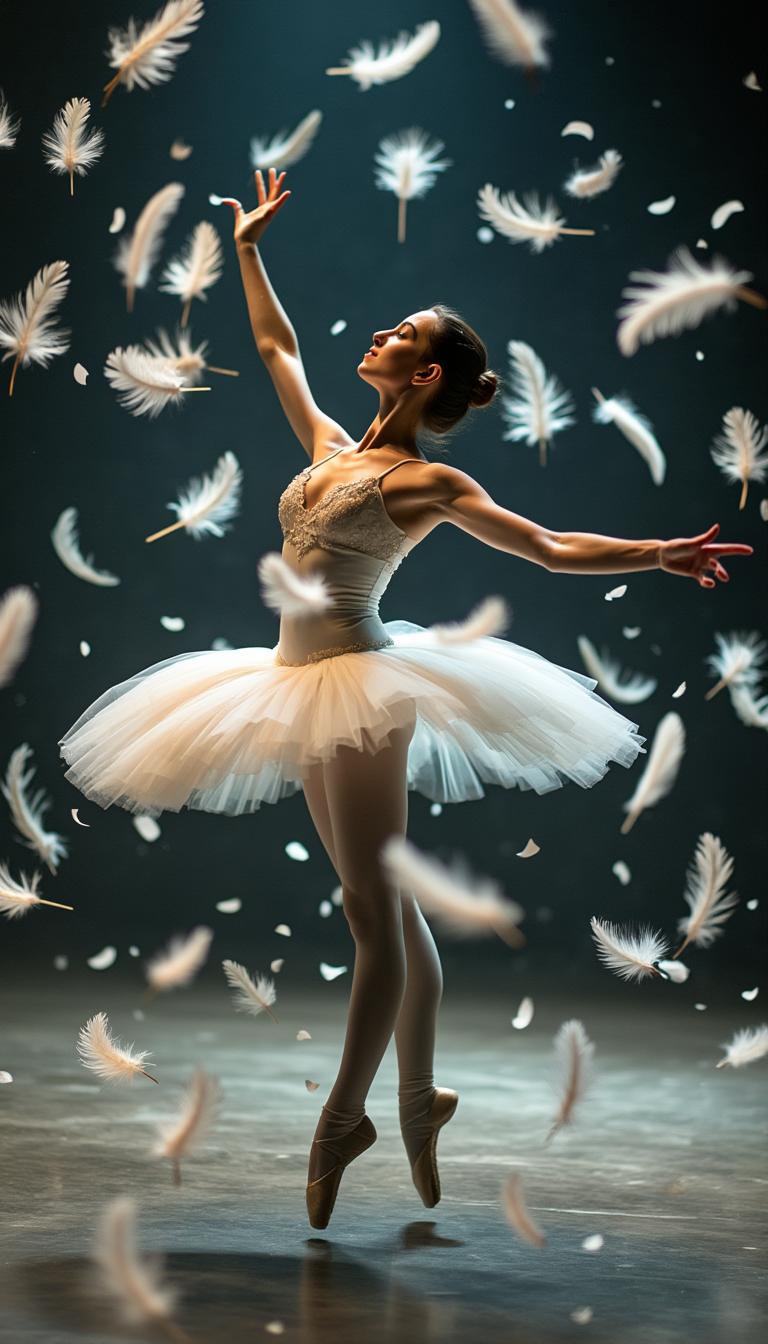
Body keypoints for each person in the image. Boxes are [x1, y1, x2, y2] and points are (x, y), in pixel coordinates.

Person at [58, 168, 753, 1231]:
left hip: (362, 689)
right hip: (291, 684)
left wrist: (659, 552)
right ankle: (420, 1097)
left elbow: (548, 544)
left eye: (398, 332)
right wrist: (246, 249)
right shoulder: (336, 450)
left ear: (423, 372)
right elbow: (280, 351)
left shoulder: (426, 483)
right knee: (372, 911)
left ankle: (345, 1115)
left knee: (374, 918)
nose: (376, 334)